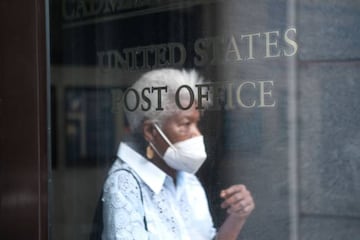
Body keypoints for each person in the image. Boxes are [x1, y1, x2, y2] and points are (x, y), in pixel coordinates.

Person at [101, 68, 255, 240]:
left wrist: (236, 217)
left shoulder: (187, 179)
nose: (197, 134)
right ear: (151, 131)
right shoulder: (125, 183)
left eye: (196, 124)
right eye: (186, 124)